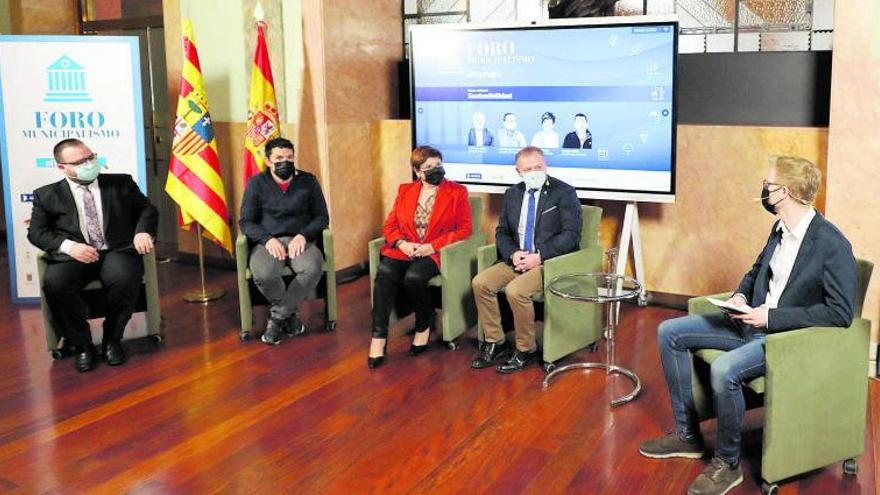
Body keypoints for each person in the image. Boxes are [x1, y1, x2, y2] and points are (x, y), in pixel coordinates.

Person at [638, 156, 857, 495]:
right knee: (670, 332)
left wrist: (770, 317)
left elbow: (840, 313)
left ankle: (727, 464)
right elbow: (757, 270)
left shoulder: (832, 245)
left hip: (782, 338)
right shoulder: (779, 228)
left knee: (724, 370)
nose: (763, 190)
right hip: (748, 322)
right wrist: (740, 296)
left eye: (767, 184)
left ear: (783, 192)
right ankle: (687, 435)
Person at [28, 138, 158, 372]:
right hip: (74, 256)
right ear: (62, 167)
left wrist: (142, 232)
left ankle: (112, 339)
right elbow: (37, 233)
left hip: (115, 250)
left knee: (125, 278)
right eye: (80, 161)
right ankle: (82, 344)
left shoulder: (121, 183)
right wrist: (68, 246)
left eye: (91, 157)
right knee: (56, 284)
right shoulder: (47, 195)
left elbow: (147, 209)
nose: (89, 163)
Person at [471, 146, 582, 373]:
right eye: (528, 169)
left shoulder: (565, 192)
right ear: (518, 171)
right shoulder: (513, 194)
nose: (534, 172)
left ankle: (526, 348)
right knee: (480, 283)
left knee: (516, 291)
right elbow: (502, 231)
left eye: (538, 167)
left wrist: (539, 257)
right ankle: (495, 341)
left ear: (546, 165)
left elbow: (571, 235)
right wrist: (513, 253)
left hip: (548, 261)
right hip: (517, 258)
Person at [369, 145, 472, 368]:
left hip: (434, 252)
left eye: (438, 165)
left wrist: (432, 246)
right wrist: (401, 243)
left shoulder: (457, 192)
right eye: (429, 167)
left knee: (414, 278)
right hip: (405, 248)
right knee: (384, 274)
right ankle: (378, 336)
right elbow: (390, 225)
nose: (436, 170)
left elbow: (464, 230)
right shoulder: (405, 190)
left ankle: (423, 324)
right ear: (418, 171)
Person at [240, 137, 329, 345]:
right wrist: (267, 239)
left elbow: (322, 217)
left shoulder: (308, 181)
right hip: (268, 242)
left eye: (289, 157)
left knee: (312, 267)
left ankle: (277, 317)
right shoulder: (256, 184)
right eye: (279, 158)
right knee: (264, 273)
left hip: (301, 240)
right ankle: (290, 315)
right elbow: (245, 221)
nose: (285, 162)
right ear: (268, 161)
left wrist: (303, 235)